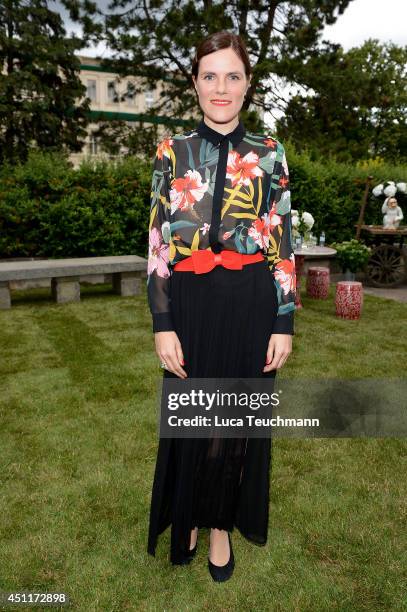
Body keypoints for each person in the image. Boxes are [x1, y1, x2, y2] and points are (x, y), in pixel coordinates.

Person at [146, 30, 296, 582]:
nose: (221, 87)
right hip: (188, 302)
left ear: (248, 84)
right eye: (210, 75)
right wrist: (163, 323)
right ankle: (185, 513)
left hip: (249, 304)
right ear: (195, 83)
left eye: (233, 75)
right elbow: (158, 239)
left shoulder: (270, 153)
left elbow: (282, 240)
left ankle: (218, 526)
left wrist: (284, 319)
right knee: (189, 417)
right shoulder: (172, 151)